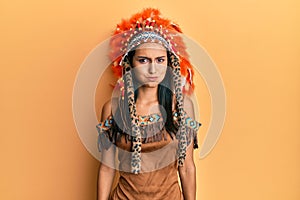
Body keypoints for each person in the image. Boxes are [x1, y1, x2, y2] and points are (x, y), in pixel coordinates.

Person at [96, 8, 201, 200]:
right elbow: (106, 167)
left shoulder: (182, 107)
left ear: (169, 64)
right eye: (143, 60)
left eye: (160, 60)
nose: (153, 69)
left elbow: (186, 167)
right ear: (130, 63)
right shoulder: (112, 109)